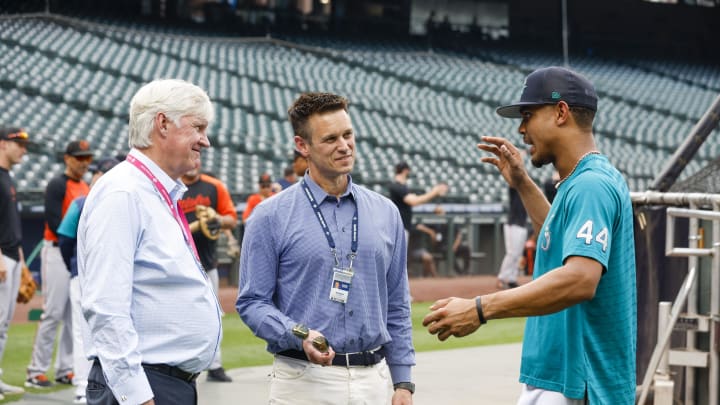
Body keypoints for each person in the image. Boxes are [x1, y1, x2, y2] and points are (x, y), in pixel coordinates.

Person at [423, 66, 637, 404]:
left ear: (561, 112)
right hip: (562, 378)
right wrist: (523, 184)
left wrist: (480, 308)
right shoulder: (579, 182)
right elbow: (556, 238)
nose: (521, 129)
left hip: (579, 384)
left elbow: (581, 278)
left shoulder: (591, 185)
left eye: (528, 115)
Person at [237, 92, 415, 404]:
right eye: (330, 138)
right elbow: (252, 302)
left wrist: (403, 382)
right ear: (302, 146)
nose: (344, 146)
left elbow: (397, 302)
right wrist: (301, 334)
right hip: (303, 381)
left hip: (373, 379)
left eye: (348, 134)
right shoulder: (268, 216)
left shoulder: (386, 212)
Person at [77, 79, 223, 405]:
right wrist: (138, 397)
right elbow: (106, 308)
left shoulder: (153, 191)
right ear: (162, 124)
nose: (206, 140)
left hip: (164, 383)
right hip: (143, 386)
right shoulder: (123, 192)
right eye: (198, 127)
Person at [27, 139, 94, 389]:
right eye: (79, 158)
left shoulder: (85, 186)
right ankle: (36, 371)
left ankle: (66, 368)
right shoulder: (58, 183)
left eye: (87, 158)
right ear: (67, 158)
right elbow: (56, 222)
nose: (84, 163)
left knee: (72, 315)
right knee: (53, 311)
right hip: (56, 249)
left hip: (73, 252)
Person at [57, 157, 121, 404]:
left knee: (93, 331)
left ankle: (89, 386)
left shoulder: (90, 202)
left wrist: (73, 265)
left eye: (100, 172)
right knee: (87, 331)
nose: (96, 177)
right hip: (89, 276)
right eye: (96, 173)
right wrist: (73, 267)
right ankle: (84, 386)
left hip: (100, 276)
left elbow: (65, 240)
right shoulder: (82, 202)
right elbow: (64, 239)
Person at [179, 164, 238, 382]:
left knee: (212, 317)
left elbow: (231, 218)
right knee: (181, 318)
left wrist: (216, 220)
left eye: (197, 158)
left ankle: (215, 365)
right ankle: (184, 367)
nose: (193, 163)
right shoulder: (172, 184)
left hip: (208, 263)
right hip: (178, 265)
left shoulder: (213, 187)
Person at [0, 127, 30, 399]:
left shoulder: (7, 178)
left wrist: (21, 261)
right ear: (2, 144)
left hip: (11, 255)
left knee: (4, 324)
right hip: (1, 258)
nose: (23, 149)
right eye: (18, 143)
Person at [388, 161, 448, 242]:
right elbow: (413, 201)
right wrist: (435, 191)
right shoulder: (396, 186)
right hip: (398, 229)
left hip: (402, 227)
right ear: (406, 171)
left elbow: (416, 200)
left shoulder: (403, 187)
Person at [496, 186, 528, 289]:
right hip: (513, 224)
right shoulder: (515, 189)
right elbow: (512, 183)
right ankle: (501, 278)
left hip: (522, 224)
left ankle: (511, 279)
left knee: (518, 254)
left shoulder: (526, 192)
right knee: (512, 253)